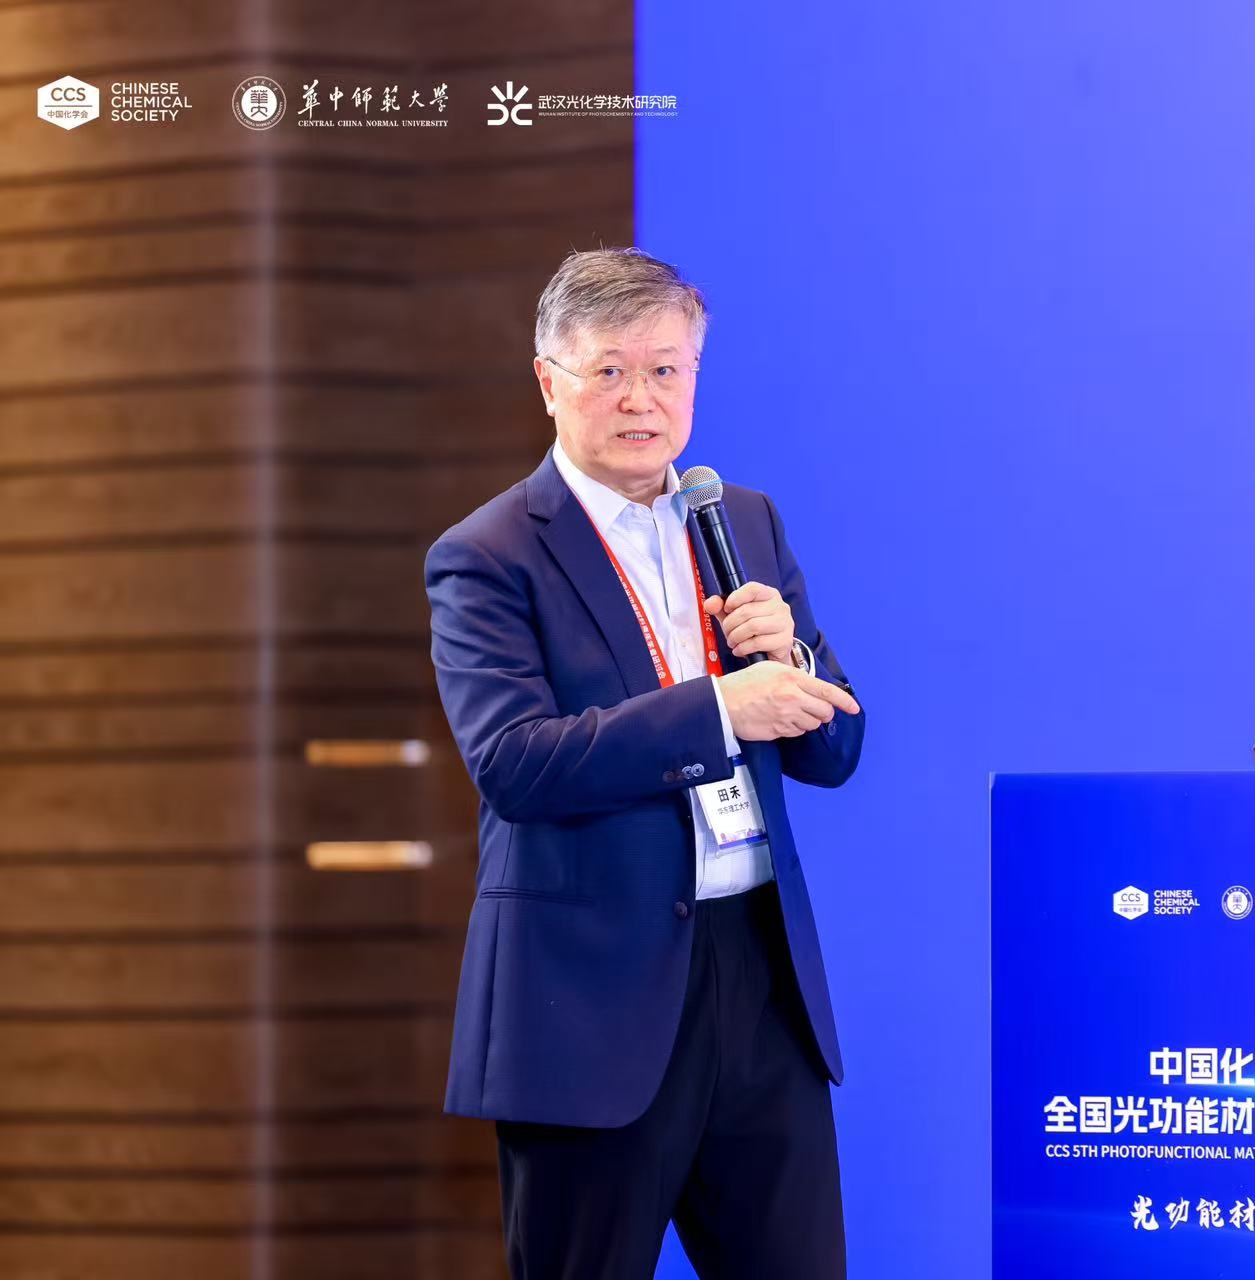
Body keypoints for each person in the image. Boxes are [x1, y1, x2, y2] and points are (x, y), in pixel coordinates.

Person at [424, 248, 865, 1278]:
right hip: (586, 1003)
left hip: (758, 981)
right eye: (610, 371)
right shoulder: (488, 554)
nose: (641, 399)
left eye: (666, 370)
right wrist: (718, 707)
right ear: (549, 382)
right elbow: (515, 764)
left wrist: (792, 662)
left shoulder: (741, 519)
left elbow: (835, 750)